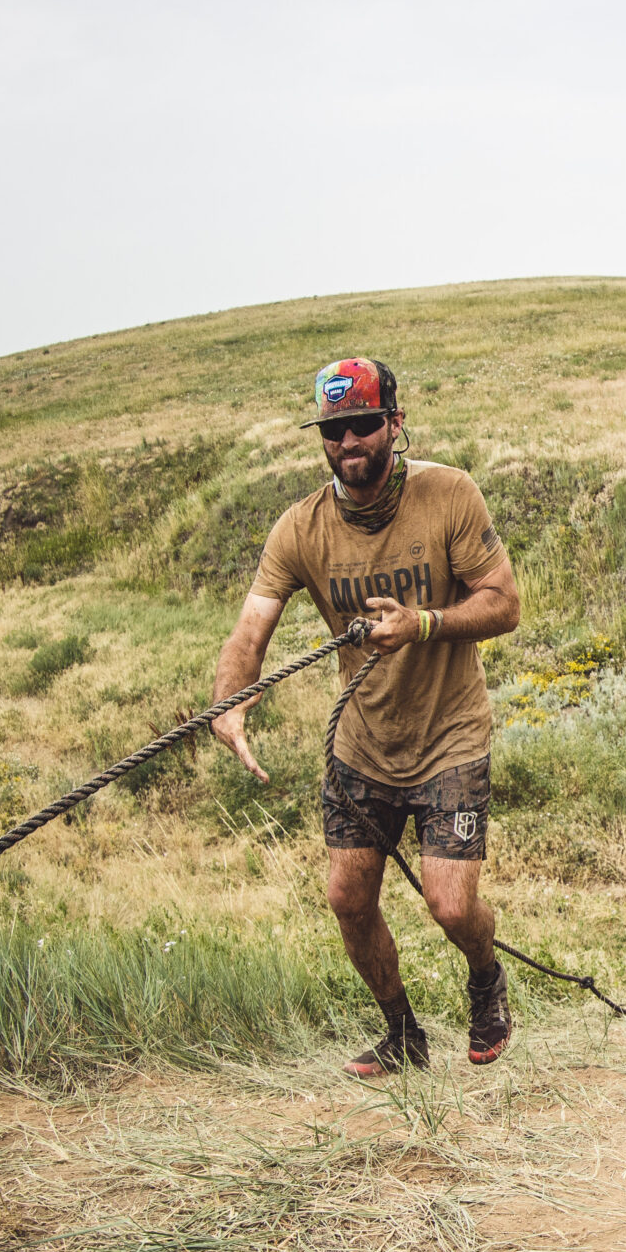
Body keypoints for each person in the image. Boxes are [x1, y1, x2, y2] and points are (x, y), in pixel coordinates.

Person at [212, 358, 522, 1076]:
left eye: (360, 424)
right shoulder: (301, 528)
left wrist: (422, 623)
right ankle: (404, 1035)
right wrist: (230, 702)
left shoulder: (450, 495)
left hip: (450, 736)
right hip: (363, 748)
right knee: (347, 898)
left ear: (394, 424)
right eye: (332, 429)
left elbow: (503, 603)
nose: (347, 441)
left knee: (451, 906)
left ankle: (486, 979)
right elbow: (250, 629)